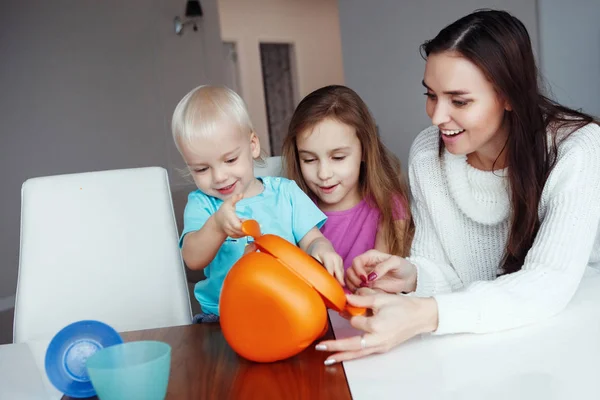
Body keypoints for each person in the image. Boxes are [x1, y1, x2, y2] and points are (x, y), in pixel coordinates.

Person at [315, 9, 600, 365]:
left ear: (509, 96)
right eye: (431, 95)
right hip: (484, 347)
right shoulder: (426, 153)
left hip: (575, 343)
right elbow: (448, 272)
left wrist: (424, 314)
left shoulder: (578, 148)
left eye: (459, 101)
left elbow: (548, 283)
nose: (436, 117)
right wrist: (412, 275)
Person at [172, 85, 344, 323]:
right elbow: (192, 257)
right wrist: (217, 226)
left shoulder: (286, 193)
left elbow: (312, 239)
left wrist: (321, 250)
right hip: (224, 317)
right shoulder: (203, 204)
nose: (219, 176)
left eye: (230, 159)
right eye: (202, 169)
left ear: (253, 145)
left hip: (288, 308)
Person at [282, 85, 413, 276]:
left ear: (365, 150)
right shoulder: (292, 207)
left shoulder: (388, 206)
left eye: (338, 157)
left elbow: (382, 284)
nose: (324, 174)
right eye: (309, 160)